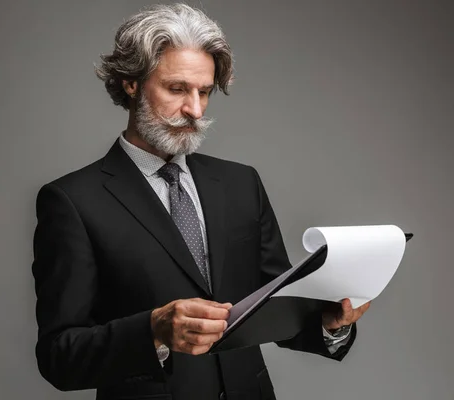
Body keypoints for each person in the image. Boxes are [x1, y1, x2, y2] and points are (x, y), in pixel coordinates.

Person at [31, 4, 370, 400]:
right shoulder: (72, 201)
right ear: (131, 83)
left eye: (204, 91)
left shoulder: (242, 183)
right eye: (177, 89)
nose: (195, 109)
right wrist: (153, 330)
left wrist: (331, 323)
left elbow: (273, 306)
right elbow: (59, 357)